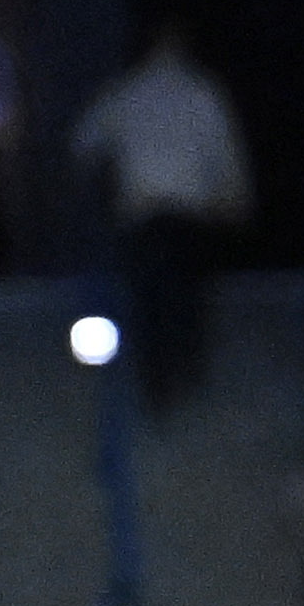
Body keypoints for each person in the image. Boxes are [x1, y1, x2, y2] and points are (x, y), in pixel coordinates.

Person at [72, 20, 252, 416]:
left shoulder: (132, 91)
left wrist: (105, 183)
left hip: (149, 221)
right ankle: (180, 385)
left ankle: (161, 391)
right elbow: (229, 161)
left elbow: (83, 144)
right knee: (181, 305)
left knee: (153, 306)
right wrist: (235, 204)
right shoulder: (199, 92)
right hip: (183, 223)